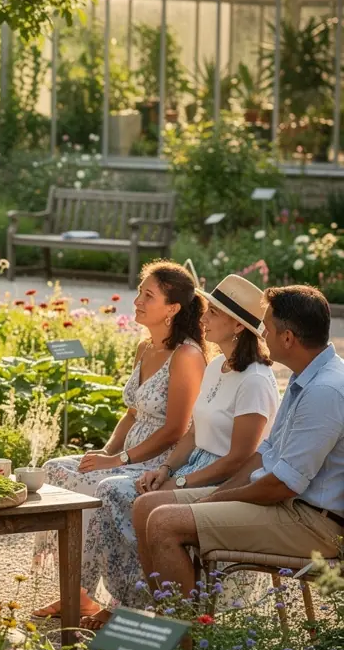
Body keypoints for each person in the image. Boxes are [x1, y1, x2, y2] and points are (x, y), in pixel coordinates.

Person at [142, 285, 344, 599]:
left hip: (313, 524)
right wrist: (221, 492)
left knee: (164, 522)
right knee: (150, 507)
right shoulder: (306, 376)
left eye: (268, 326)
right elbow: (266, 452)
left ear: (288, 338)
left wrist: (217, 500)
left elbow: (282, 485)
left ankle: (183, 643)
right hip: (291, 506)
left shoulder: (325, 390)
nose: (261, 332)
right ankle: (165, 626)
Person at [33, 261, 207, 623]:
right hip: (127, 453)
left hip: (158, 460)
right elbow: (131, 414)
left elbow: (176, 429)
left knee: (95, 486)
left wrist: (119, 461)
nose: (138, 301)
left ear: (173, 308)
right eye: (140, 292)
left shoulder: (187, 356)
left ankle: (112, 601)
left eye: (149, 295)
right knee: (56, 471)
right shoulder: (145, 347)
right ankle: (76, 592)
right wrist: (106, 452)